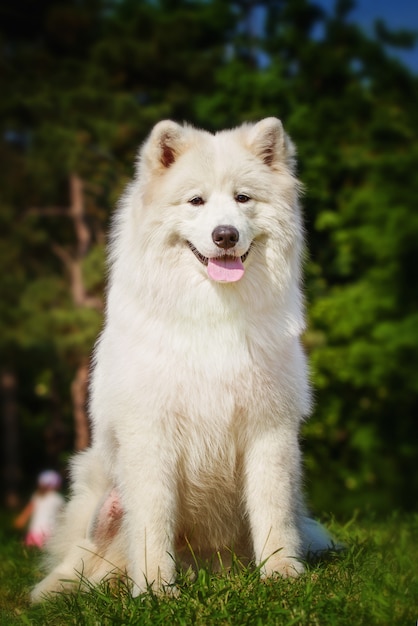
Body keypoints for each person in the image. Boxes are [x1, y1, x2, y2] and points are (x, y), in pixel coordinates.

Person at [14, 470, 65, 548]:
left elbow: (28, 511)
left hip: (33, 533)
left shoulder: (37, 496)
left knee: (31, 552)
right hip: (48, 533)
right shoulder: (57, 498)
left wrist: (21, 520)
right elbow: (63, 515)